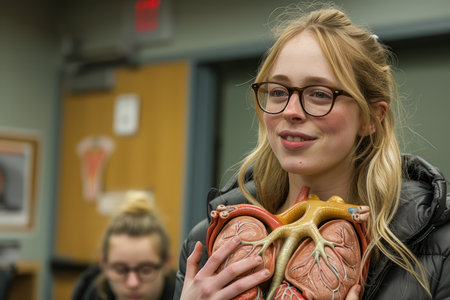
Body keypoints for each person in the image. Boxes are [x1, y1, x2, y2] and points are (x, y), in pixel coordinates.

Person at [174, 4, 450, 300]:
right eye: (279, 91)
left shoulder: (437, 246)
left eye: (319, 94)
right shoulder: (207, 240)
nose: (291, 111)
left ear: (372, 117)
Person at [72, 191, 175, 300]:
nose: (132, 283)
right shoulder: (88, 295)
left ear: (166, 263)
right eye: (120, 270)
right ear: (104, 264)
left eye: (146, 270)